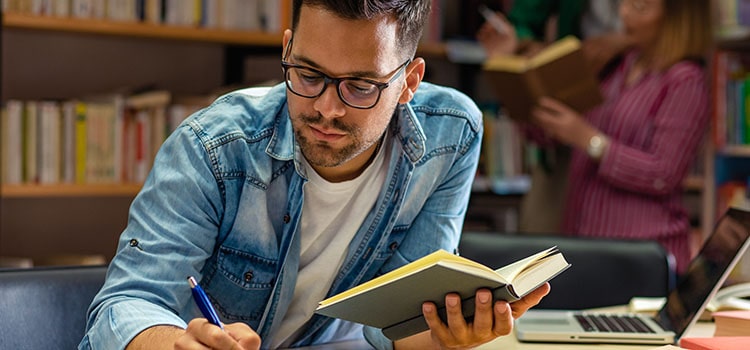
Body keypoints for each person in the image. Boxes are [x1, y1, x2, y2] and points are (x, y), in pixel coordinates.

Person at [78, 1, 550, 349]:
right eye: (307, 74)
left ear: (409, 82)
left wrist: (451, 334)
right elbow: (122, 308)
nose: (327, 108)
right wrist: (177, 345)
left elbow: (396, 329)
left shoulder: (451, 135)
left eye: (361, 86)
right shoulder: (213, 147)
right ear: (286, 49)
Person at [511, 0, 712, 274]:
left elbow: (664, 173)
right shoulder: (616, 67)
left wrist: (591, 142)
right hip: (585, 244)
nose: (625, 14)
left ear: (677, 18)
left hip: (640, 255)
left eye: (640, 8)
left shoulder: (685, 79)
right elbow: (557, 134)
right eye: (624, 3)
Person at [477, 0, 630, 234]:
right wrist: (526, 47)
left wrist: (625, 41)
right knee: (539, 235)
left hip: (615, 126)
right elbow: (522, 21)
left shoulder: (675, 78)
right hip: (568, 109)